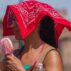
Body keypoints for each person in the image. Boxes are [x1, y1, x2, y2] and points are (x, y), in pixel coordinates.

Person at [1, 0, 71, 71]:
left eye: (17, 20)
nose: (12, 25)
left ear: (36, 22)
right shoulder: (15, 55)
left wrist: (20, 69)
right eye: (12, 21)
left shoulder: (51, 56)